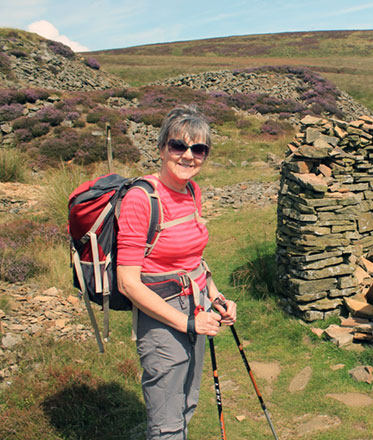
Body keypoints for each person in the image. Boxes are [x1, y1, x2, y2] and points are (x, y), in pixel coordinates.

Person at [116, 104, 237, 440]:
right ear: (161, 147)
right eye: (178, 146)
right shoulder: (141, 199)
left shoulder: (192, 192)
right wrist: (185, 322)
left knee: (187, 402)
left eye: (198, 148)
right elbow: (127, 283)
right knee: (166, 419)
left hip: (197, 307)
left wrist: (217, 296)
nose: (188, 155)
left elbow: (193, 258)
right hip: (161, 316)